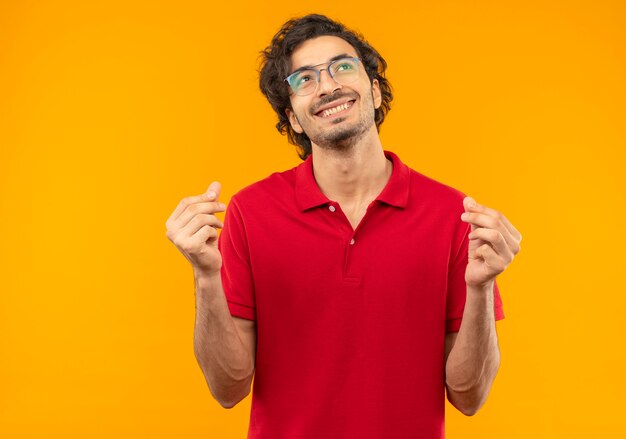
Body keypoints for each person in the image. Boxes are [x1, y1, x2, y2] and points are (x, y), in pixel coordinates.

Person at [166, 13, 521, 439]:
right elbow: (228, 389)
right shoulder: (250, 211)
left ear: (374, 90)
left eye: (343, 67)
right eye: (305, 79)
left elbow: (470, 397)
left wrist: (481, 288)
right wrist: (205, 276)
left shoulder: (452, 214)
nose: (328, 86)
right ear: (293, 117)